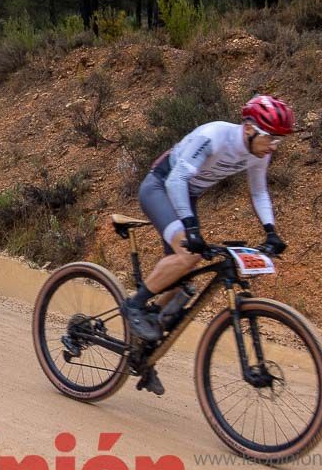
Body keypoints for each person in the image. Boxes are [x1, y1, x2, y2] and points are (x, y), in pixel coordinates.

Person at [122, 95, 295, 345]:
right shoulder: (213, 136)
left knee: (183, 273)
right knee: (188, 255)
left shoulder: (260, 152)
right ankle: (134, 306)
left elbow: (259, 192)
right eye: (270, 137)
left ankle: (146, 337)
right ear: (249, 128)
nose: (274, 145)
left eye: (278, 139)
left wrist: (271, 231)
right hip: (160, 187)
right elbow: (175, 180)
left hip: (186, 195)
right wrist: (191, 228)